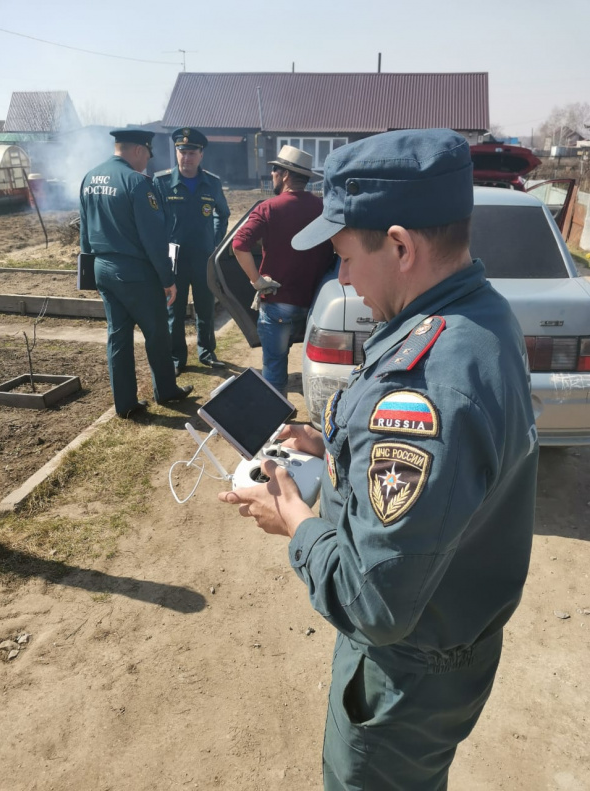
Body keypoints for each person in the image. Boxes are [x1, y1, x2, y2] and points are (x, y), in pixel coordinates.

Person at [219, 129, 539, 790]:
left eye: (342, 255)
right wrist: (333, 446)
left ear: (398, 246)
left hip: (406, 676)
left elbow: (373, 603)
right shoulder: (480, 314)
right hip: (447, 646)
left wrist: (294, 520)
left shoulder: (425, 389)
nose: (339, 276)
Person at [79, 128, 192, 418]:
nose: (148, 163)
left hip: (102, 268)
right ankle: (166, 392)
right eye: (148, 155)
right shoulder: (136, 183)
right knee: (156, 334)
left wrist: (88, 272)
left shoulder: (89, 177)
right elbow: (153, 239)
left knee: (117, 337)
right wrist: (168, 280)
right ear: (139, 150)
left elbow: (85, 231)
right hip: (135, 273)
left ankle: (126, 405)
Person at [232, 145, 334, 396]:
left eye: (275, 170)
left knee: (275, 365)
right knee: (317, 363)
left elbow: (238, 244)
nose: (272, 175)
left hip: (279, 302)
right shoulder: (325, 210)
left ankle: (278, 423)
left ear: (286, 175)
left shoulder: (268, 208)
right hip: (316, 303)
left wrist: (257, 280)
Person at [153, 128, 230, 373]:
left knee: (205, 306)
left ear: (201, 154)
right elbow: (153, 220)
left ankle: (206, 352)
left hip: (203, 256)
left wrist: (215, 241)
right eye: (182, 152)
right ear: (176, 153)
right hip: (173, 257)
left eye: (192, 152)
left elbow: (223, 214)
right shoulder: (162, 182)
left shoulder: (212, 183)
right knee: (174, 311)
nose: (186, 157)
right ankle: (177, 359)